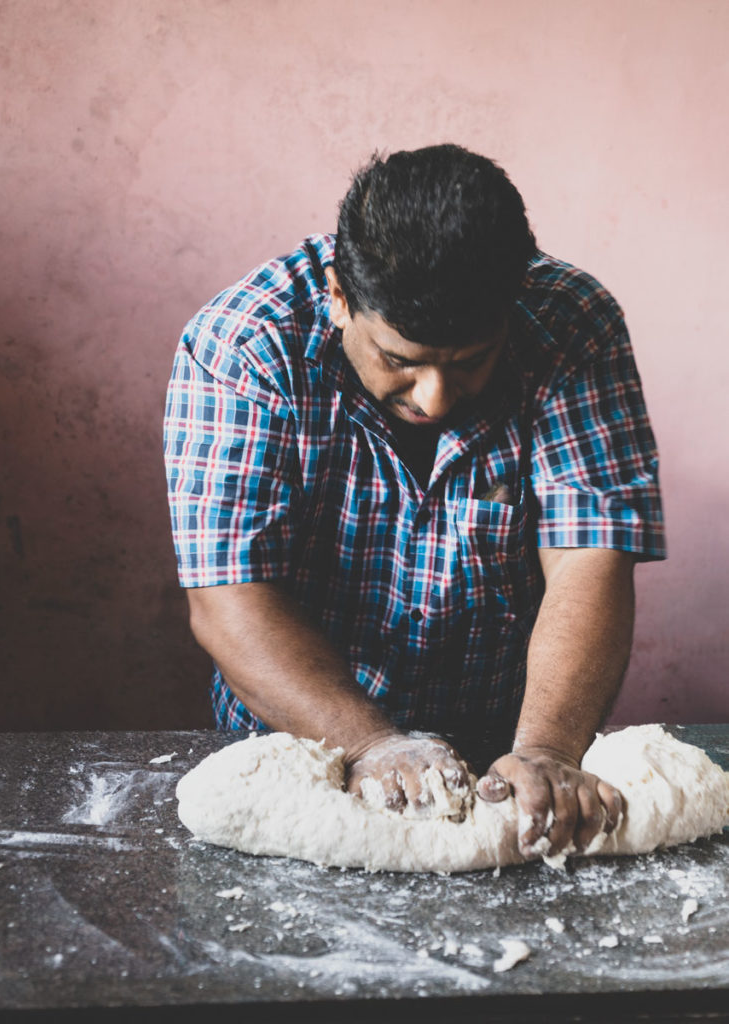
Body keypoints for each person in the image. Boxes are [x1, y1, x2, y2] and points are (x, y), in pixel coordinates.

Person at [163, 144, 665, 860]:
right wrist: (370, 743)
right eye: (399, 360)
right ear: (339, 296)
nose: (433, 397)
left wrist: (548, 747)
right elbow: (230, 595)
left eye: (467, 362)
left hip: (508, 740)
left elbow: (588, 554)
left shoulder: (572, 323)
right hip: (297, 743)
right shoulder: (243, 346)